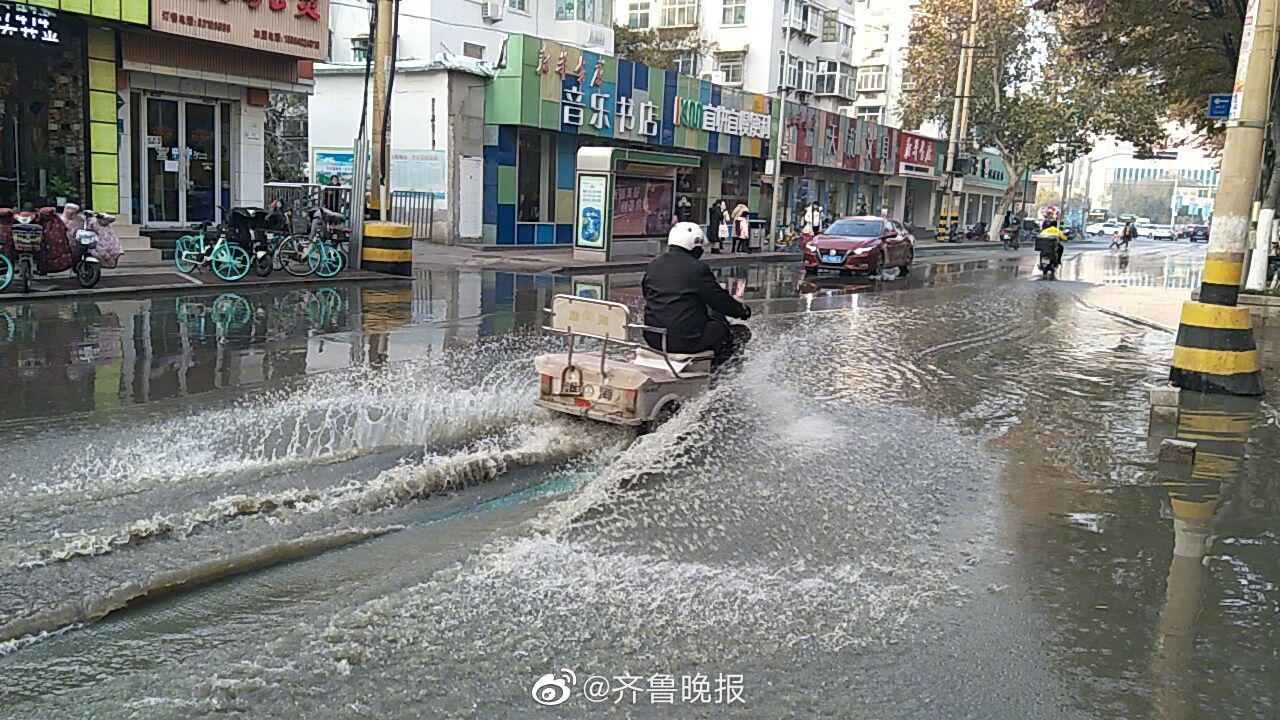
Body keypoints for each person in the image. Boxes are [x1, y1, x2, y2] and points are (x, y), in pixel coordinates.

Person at [642, 222, 752, 367]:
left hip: (654, 338)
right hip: (685, 340)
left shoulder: (654, 265)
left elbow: (647, 294)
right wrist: (742, 310)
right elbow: (719, 300)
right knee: (729, 331)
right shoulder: (697, 269)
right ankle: (721, 374)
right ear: (694, 246)